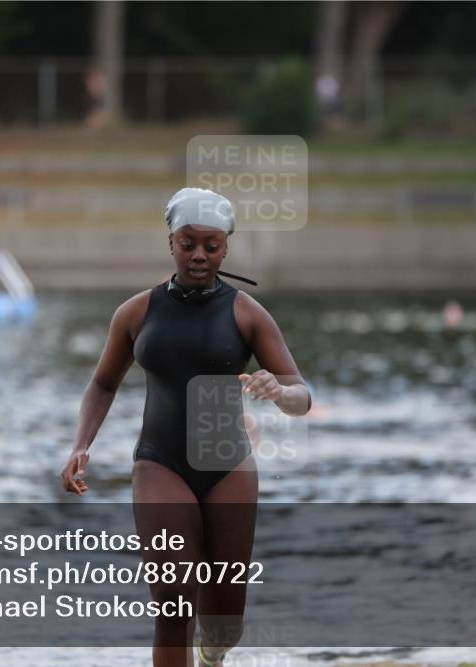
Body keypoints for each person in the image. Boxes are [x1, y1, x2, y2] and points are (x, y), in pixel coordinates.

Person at [61, 187, 312, 667]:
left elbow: (302, 393)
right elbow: (102, 383)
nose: (199, 255)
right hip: (161, 463)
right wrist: (80, 444)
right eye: (188, 242)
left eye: (211, 246)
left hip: (228, 466)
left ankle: (213, 655)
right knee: (173, 597)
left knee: (223, 624)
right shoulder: (137, 313)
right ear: (170, 241)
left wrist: (281, 393)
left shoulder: (246, 314)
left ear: (226, 248)